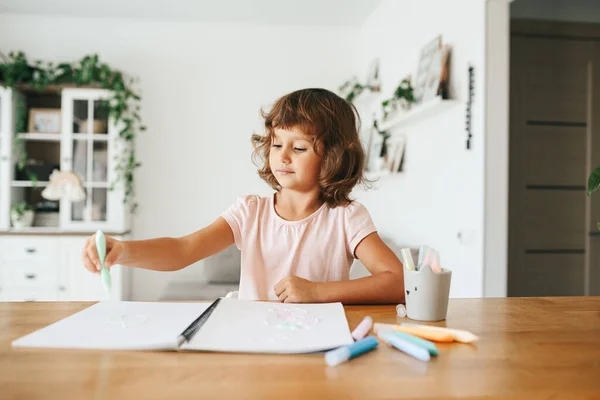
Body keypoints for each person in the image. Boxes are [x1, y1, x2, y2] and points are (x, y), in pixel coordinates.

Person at [82, 88, 405, 304]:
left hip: (318, 344)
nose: (283, 156)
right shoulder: (250, 212)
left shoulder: (346, 217)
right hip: (253, 340)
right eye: (277, 144)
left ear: (333, 155)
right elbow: (182, 250)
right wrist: (124, 251)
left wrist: (318, 292)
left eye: (300, 147)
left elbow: (397, 281)